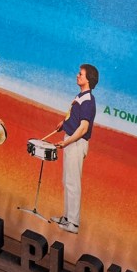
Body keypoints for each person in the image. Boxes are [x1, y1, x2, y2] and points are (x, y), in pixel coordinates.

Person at [51, 64, 98, 234]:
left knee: (73, 183)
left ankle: (73, 223)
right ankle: (67, 217)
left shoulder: (88, 101)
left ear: (88, 79)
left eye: (81, 74)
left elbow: (83, 128)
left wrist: (67, 142)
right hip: (71, 141)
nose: (78, 76)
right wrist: (64, 124)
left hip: (76, 143)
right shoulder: (80, 96)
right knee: (67, 180)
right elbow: (75, 119)